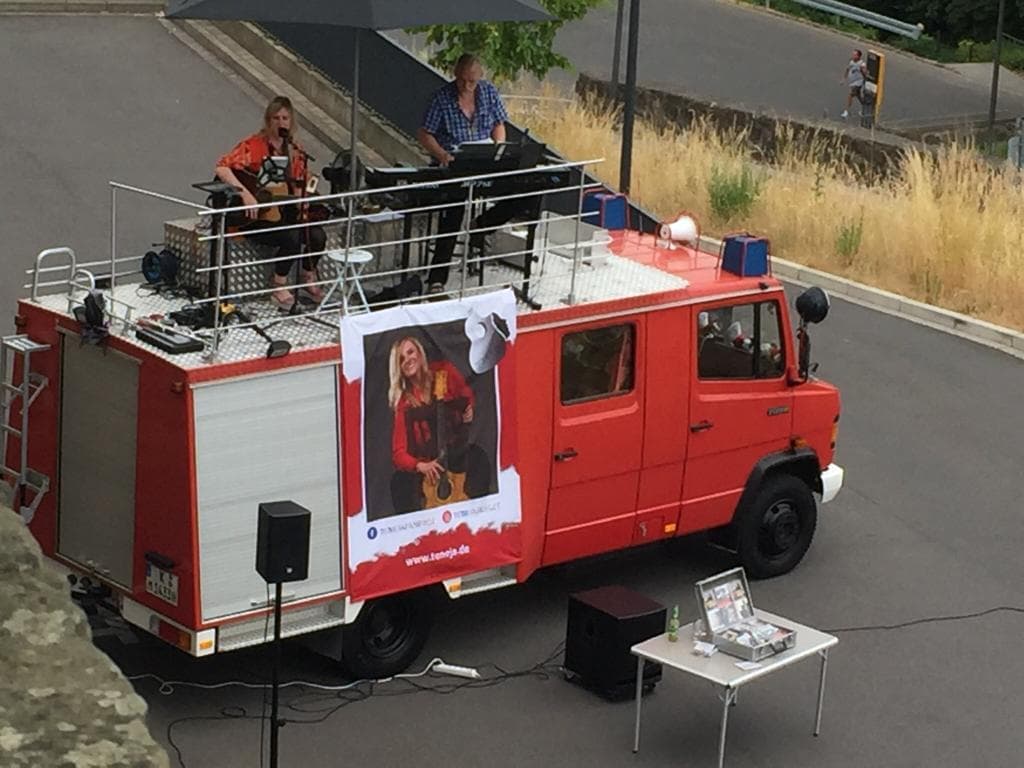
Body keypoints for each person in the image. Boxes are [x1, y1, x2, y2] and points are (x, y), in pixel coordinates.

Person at [416, 54, 531, 295]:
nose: (467, 86)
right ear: (456, 76)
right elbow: (425, 134)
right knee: (452, 211)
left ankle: (482, 225)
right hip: (454, 164)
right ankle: (437, 280)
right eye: (462, 80)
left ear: (479, 77)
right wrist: (442, 155)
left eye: (471, 81)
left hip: (486, 160)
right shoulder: (441, 98)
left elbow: (499, 124)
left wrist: (498, 146)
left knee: (524, 189)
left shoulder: (488, 92)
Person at [215, 96, 326, 310]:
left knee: (316, 235)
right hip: (258, 215)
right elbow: (222, 167)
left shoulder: (295, 150)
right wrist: (245, 194)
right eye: (276, 118)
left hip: (282, 211)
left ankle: (308, 275)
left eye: (285, 118)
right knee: (291, 237)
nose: (281, 122)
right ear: (268, 121)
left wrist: (303, 198)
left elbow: (297, 183)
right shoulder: (253, 146)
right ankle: (279, 286)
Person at [389, 336, 476, 513]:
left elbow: (466, 395)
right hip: (429, 471)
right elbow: (399, 453)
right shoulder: (404, 403)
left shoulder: (443, 373)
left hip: (456, 458)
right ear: (398, 369)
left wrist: (469, 409)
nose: (408, 360)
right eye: (401, 359)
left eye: (410, 352)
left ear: (420, 353)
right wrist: (420, 466)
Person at [841, 49, 868, 120]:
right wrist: (844, 79)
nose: (853, 56)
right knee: (858, 95)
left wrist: (865, 81)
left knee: (850, 95)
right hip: (852, 81)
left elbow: (865, 74)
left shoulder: (862, 64)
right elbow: (847, 69)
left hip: (858, 82)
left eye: (855, 55)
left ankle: (846, 111)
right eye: (853, 54)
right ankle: (865, 108)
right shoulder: (851, 61)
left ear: (859, 56)